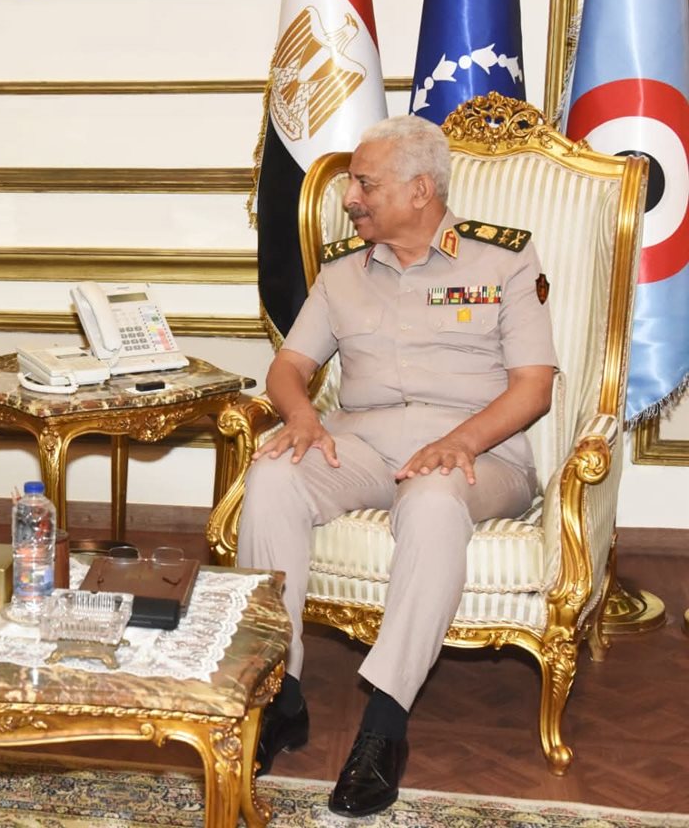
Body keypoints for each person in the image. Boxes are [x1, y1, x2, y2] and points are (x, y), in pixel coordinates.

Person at [238, 115, 555, 817]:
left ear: (420, 190)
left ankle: (384, 727)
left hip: (478, 453)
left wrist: (462, 441)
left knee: (435, 498)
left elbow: (534, 387)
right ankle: (281, 695)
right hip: (364, 442)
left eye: (365, 184)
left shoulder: (503, 260)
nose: (350, 198)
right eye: (352, 183)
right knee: (274, 475)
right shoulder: (342, 271)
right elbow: (289, 366)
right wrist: (301, 417)